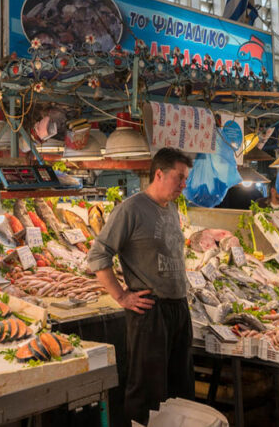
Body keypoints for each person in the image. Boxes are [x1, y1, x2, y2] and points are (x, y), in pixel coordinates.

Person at [87, 147, 194, 426]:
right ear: (159, 174)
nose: (184, 185)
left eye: (185, 179)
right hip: (150, 311)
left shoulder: (171, 209)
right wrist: (121, 296)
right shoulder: (131, 209)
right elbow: (98, 256)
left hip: (178, 308)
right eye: (180, 178)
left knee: (179, 389)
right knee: (147, 391)